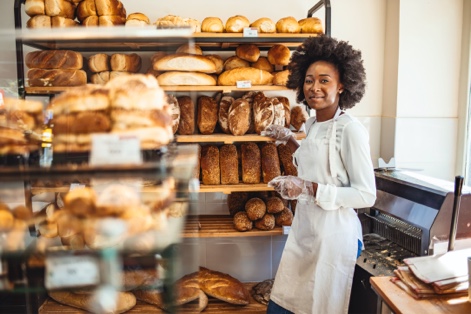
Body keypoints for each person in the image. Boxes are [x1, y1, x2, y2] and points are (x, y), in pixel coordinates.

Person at [262, 35, 377, 314]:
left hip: (333, 237)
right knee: (284, 304)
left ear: (342, 86)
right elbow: (322, 165)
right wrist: (289, 138)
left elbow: (366, 194)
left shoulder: (351, 130)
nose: (315, 87)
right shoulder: (313, 123)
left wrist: (308, 188)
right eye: (309, 80)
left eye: (324, 80)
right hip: (307, 230)